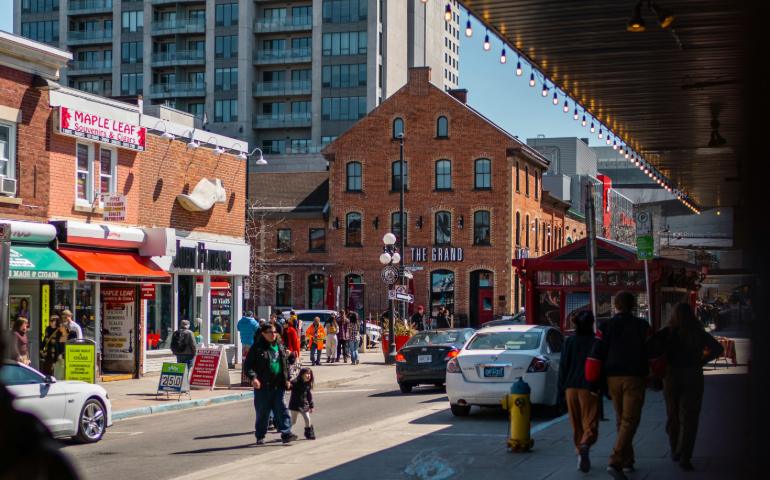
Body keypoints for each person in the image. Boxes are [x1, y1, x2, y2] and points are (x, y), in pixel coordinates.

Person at [649, 303, 723, 472]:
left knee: (672, 414)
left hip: (671, 376)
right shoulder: (697, 332)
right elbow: (718, 348)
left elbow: (649, 348)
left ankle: (674, 449)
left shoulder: (667, 332)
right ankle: (685, 455)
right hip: (693, 375)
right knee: (689, 418)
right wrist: (701, 360)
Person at [593, 292, 651, 479]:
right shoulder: (642, 326)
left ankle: (628, 460)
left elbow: (598, 352)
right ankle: (616, 460)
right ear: (633, 305)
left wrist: (599, 381)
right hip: (634, 377)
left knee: (622, 419)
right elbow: (652, 350)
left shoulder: (606, 326)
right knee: (630, 420)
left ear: (616, 306)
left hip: (612, 378)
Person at [559, 311, 601, 473]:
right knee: (590, 426)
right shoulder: (595, 342)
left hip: (570, 388)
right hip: (588, 388)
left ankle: (580, 455)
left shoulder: (569, 342)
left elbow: (563, 366)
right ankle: (585, 446)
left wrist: (561, 390)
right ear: (591, 324)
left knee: (576, 426)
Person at [244, 323, 297, 445]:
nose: (273, 334)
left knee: (282, 409)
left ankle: (286, 433)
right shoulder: (257, 348)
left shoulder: (280, 346)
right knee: (263, 412)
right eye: (269, 332)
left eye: (274, 332)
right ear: (263, 334)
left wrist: (288, 378)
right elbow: (248, 366)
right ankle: (260, 435)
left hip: (278, 384)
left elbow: (286, 364)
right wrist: (253, 378)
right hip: (263, 386)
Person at [289, 367, 316, 440]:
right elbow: (288, 387)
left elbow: (309, 396)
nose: (308, 376)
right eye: (306, 374)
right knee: (293, 421)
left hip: (304, 404)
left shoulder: (308, 384)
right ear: (301, 375)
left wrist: (311, 406)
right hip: (295, 405)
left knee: (307, 419)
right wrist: (288, 384)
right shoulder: (295, 382)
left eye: (309, 374)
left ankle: (309, 433)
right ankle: (287, 432)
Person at [238, 311, 259, 386]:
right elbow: (258, 331)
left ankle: (244, 380)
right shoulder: (254, 322)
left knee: (244, 359)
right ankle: (251, 380)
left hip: (243, 342)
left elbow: (238, 328)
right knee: (252, 360)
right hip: (252, 343)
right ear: (252, 315)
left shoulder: (240, 321)